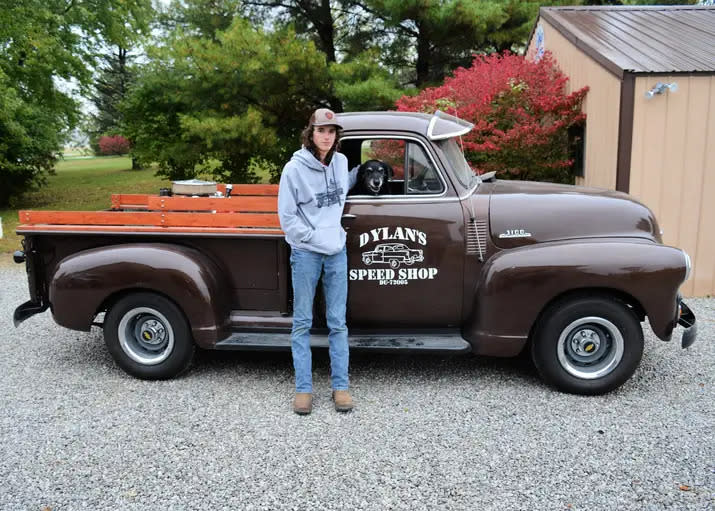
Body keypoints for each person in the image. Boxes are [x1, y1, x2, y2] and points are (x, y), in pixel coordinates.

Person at [277, 108, 358, 415]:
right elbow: (287, 216)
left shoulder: (341, 162)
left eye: (332, 131)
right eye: (321, 130)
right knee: (302, 322)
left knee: (338, 321)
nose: (327, 136)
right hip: (307, 252)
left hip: (336, 250)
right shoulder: (293, 169)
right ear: (310, 133)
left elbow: (340, 192)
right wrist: (311, 237)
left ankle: (341, 387)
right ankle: (303, 389)